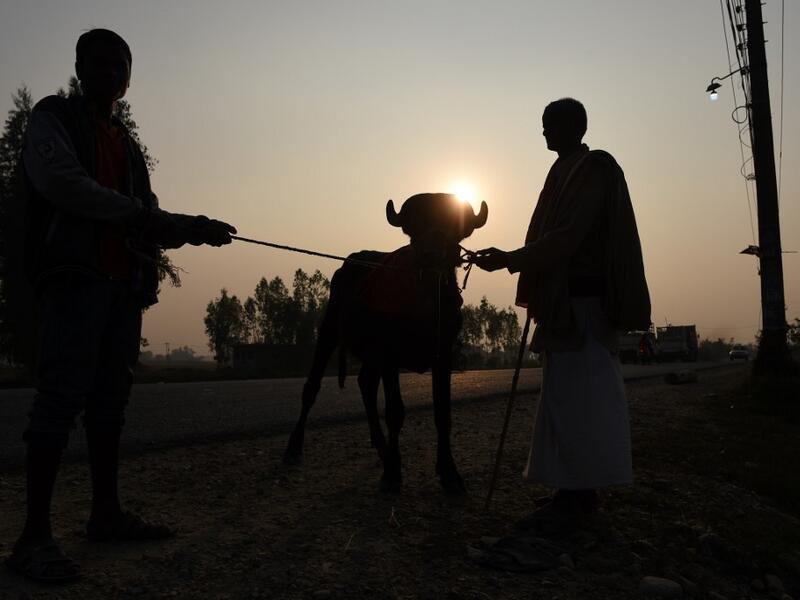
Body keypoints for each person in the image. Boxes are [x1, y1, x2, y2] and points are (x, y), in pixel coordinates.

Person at [5, 29, 237, 582]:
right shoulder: (51, 119)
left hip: (120, 287)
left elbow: (147, 215)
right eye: (99, 62)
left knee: (110, 402)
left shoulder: (127, 145)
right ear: (80, 68)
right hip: (73, 280)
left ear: (128, 80)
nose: (109, 72)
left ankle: (104, 515)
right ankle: (32, 538)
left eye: (119, 65)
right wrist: (152, 220)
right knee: (59, 399)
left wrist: (192, 229)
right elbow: (63, 184)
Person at [474, 98, 650, 527]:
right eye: (543, 126)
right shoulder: (561, 172)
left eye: (550, 125)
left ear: (575, 127)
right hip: (563, 305)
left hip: (584, 307)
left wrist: (513, 258)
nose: (544, 133)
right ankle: (570, 490)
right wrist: (515, 259)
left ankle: (581, 494)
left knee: (582, 403)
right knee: (563, 401)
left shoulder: (593, 170)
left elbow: (568, 237)